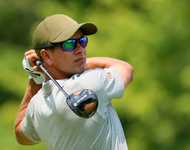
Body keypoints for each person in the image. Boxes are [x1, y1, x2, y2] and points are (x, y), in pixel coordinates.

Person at [14, 14, 133, 150]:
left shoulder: (37, 106)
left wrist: (35, 76)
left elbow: (20, 134)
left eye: (82, 41)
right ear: (47, 56)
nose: (80, 50)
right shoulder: (91, 83)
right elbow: (126, 69)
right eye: (69, 44)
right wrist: (82, 62)